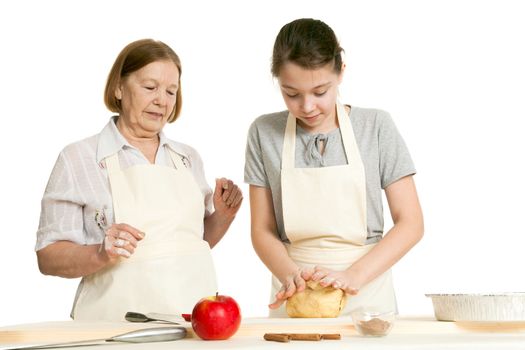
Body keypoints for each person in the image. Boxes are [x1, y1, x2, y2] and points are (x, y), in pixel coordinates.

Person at [36, 39, 243, 321]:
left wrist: (224, 214)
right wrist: (100, 253)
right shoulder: (79, 158)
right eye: (150, 87)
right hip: (110, 325)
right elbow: (48, 257)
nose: (162, 100)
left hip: (191, 323)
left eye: (172, 91)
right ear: (119, 88)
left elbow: (192, 243)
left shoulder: (187, 158)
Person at [245, 18, 424, 317]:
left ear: (341, 71)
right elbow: (262, 229)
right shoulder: (264, 132)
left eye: (320, 91)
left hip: (367, 295)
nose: (307, 106)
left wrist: (353, 276)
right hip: (296, 294)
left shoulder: (376, 127)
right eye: (291, 94)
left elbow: (411, 223)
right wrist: (292, 275)